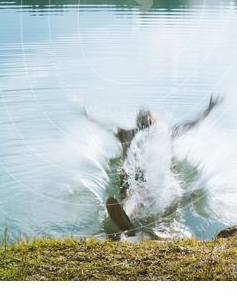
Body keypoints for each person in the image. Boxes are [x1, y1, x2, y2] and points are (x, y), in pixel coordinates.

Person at [82, 94, 224, 233]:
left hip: (143, 174)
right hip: (140, 174)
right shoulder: (153, 133)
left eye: (145, 120)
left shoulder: (133, 133)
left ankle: (126, 216)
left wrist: (87, 114)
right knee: (136, 194)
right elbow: (191, 124)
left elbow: (191, 124)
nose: (144, 123)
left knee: (133, 194)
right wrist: (209, 109)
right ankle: (126, 217)